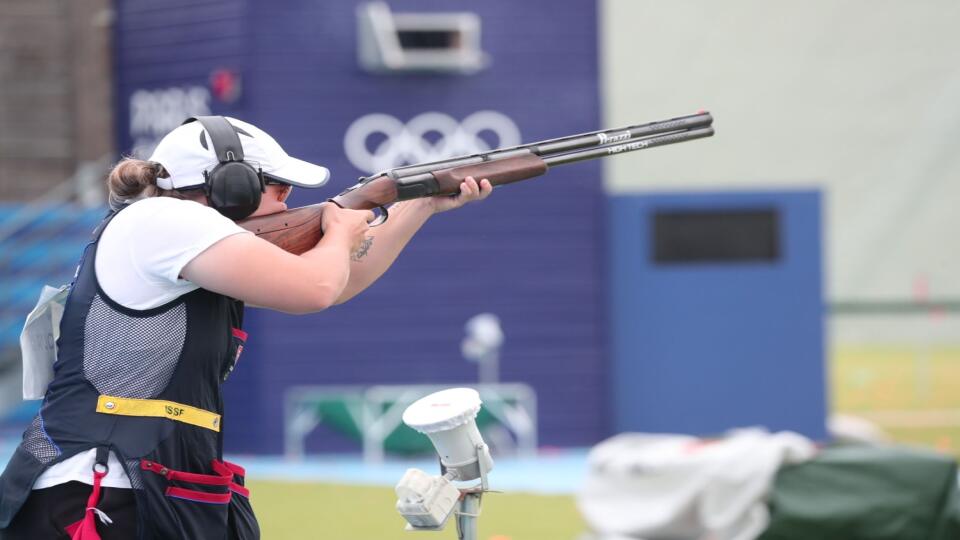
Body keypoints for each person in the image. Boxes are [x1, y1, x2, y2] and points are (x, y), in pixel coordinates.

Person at [0, 116, 492, 539]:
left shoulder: (179, 235)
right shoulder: (162, 220)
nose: (288, 202)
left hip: (146, 480)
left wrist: (419, 203)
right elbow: (315, 287)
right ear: (234, 186)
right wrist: (341, 229)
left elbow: (338, 281)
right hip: (99, 486)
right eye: (279, 188)